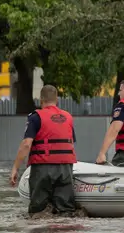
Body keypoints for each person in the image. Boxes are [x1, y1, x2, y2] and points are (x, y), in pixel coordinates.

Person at [9, 84, 77, 216]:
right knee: (66, 211)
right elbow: (70, 143)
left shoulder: (35, 117)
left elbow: (26, 145)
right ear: (57, 99)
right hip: (65, 168)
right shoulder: (68, 117)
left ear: (41, 100)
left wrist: (15, 168)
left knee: (38, 212)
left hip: (42, 168)